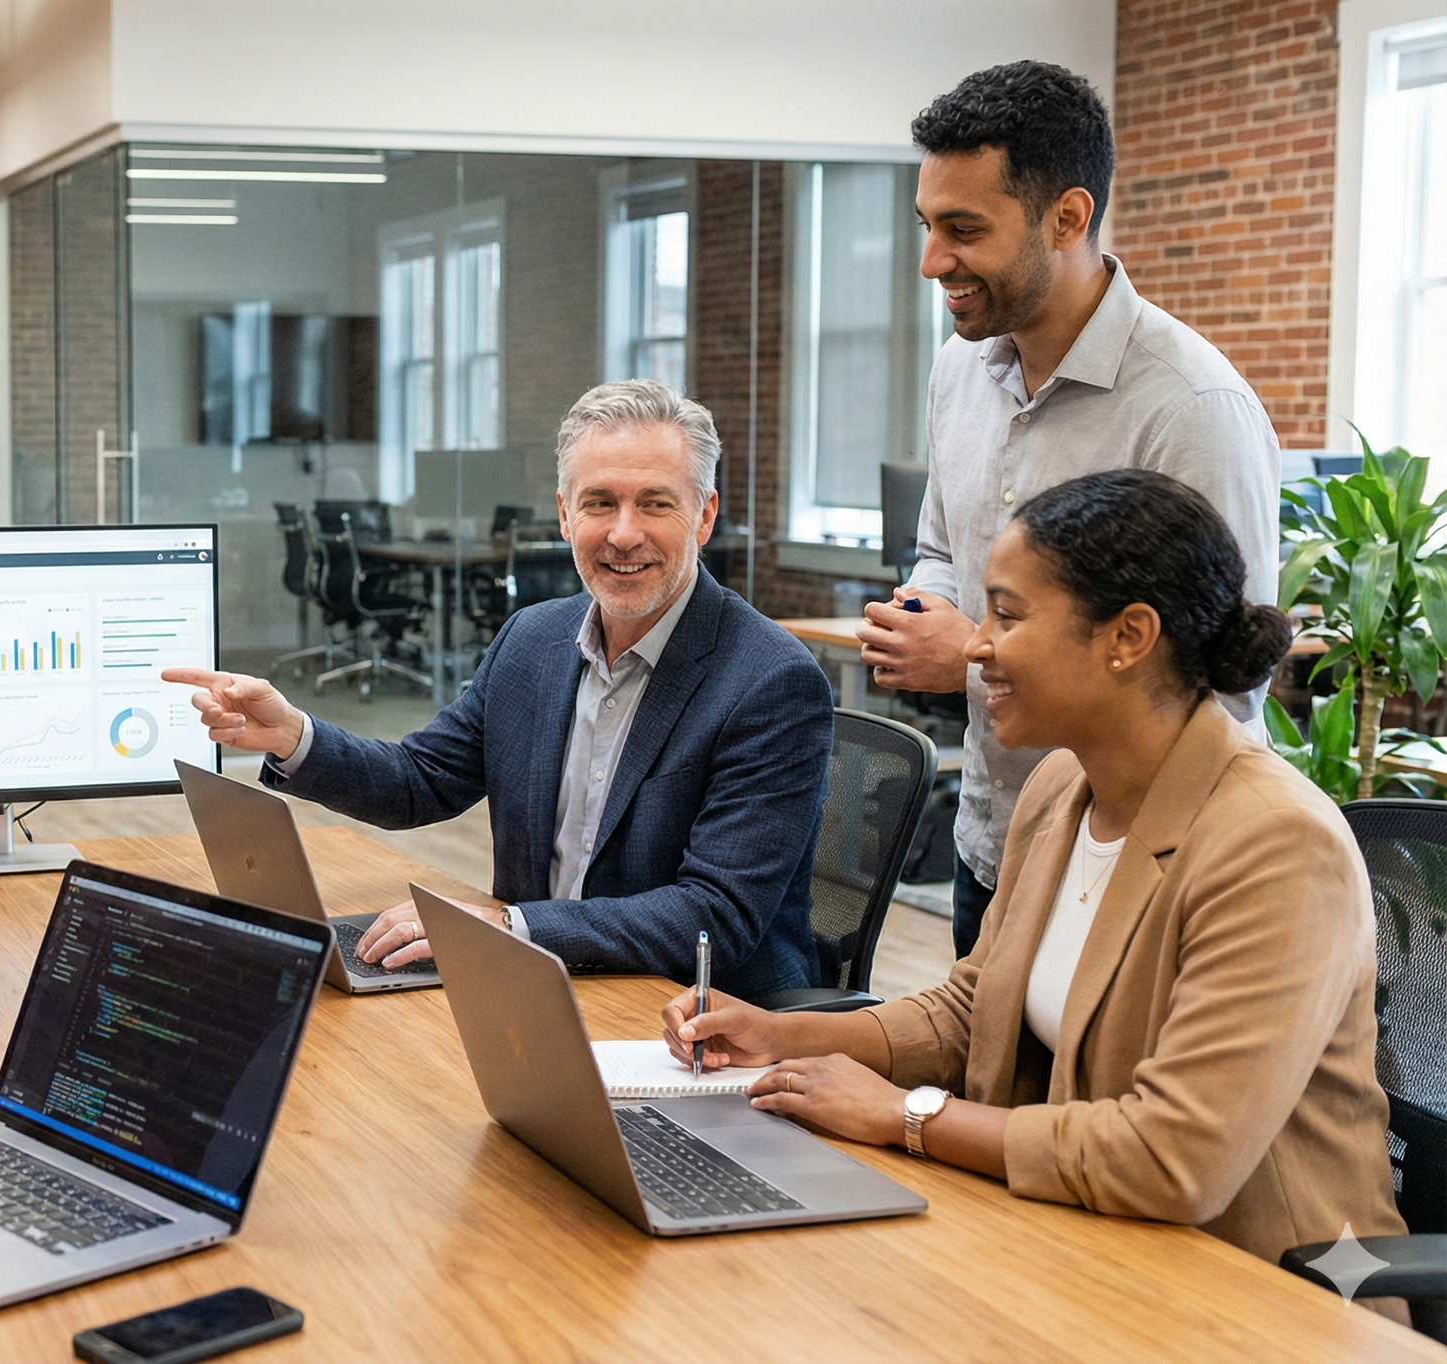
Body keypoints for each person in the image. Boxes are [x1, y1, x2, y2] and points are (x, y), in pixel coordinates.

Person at [669, 470, 1401, 1265]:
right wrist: (782, 1034)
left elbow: (1173, 1159)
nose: (977, 643)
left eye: (1008, 615)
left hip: (1265, 1285)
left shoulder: (1277, 846)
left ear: (1128, 638)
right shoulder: (1063, 784)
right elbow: (972, 1007)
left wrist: (904, 1115)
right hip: (1086, 1235)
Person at [165, 380, 833, 996]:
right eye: (600, 503)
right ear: (566, 516)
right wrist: (292, 735)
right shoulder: (534, 641)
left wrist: (512, 926)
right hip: (538, 989)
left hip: (699, 1020)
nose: (623, 534)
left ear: (704, 514)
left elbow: (712, 916)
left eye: (655, 504)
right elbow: (421, 780)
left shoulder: (770, 681)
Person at [853, 61, 1280, 958]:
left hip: (1137, 883)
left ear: (1069, 218)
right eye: (929, 226)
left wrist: (970, 658)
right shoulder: (959, 369)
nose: (934, 262)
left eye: (964, 230)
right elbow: (940, 546)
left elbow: (1221, 680)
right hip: (996, 853)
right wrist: (928, 609)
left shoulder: (1192, 408)